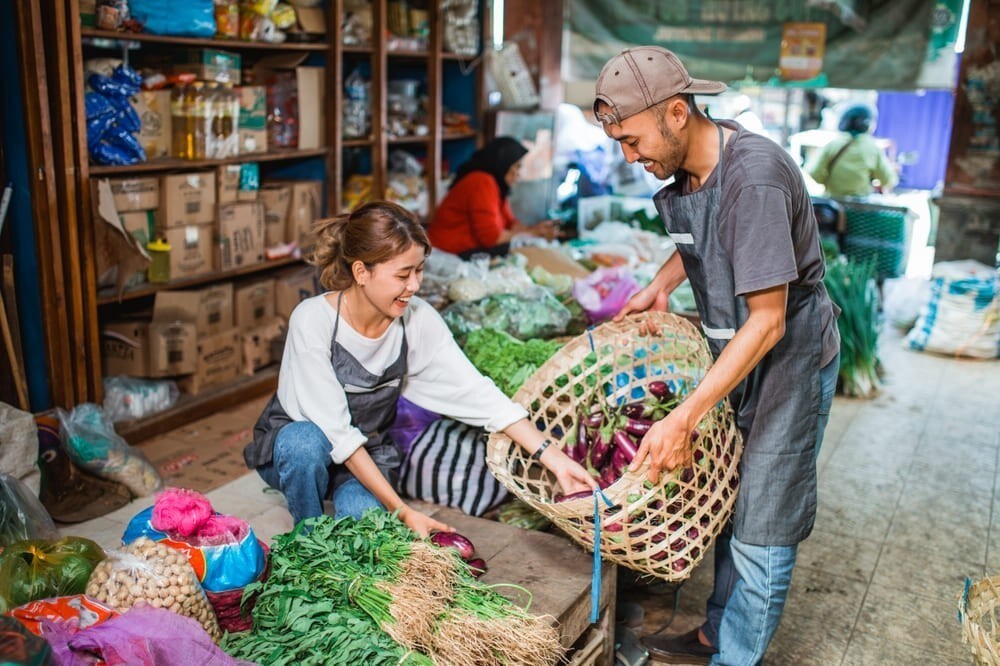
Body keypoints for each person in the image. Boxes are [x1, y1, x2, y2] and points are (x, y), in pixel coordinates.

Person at [593, 46, 841, 665]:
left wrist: (687, 415)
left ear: (677, 112)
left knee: (763, 515)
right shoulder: (689, 169)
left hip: (785, 355)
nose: (630, 156)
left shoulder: (752, 177)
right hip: (734, 347)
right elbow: (705, 236)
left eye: (632, 139)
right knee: (731, 494)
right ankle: (713, 634)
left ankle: (736, 657)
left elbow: (769, 319)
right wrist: (660, 283)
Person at [245, 201, 595, 536]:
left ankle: (346, 500)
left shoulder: (416, 321)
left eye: (419, 270)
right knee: (305, 443)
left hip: (367, 451)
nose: (414, 285)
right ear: (361, 272)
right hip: (299, 452)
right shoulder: (313, 320)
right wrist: (402, 509)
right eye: (402, 274)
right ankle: (308, 536)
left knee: (362, 523)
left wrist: (555, 459)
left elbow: (478, 394)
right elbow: (336, 432)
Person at [427, 136, 559, 258]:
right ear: (504, 163)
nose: (518, 174)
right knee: (517, 250)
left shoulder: (497, 187)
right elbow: (491, 238)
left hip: (465, 252)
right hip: (448, 254)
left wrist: (537, 230)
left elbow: (511, 224)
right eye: (517, 167)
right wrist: (532, 234)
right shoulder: (482, 182)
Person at [807, 103, 898, 197]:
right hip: (861, 208)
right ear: (867, 123)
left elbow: (814, 172)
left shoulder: (833, 144)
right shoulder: (872, 147)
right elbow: (887, 180)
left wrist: (828, 182)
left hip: (834, 205)